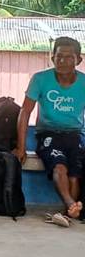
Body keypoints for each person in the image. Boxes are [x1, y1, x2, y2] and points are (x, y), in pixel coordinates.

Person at [15, 37, 85, 226]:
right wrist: (20, 147)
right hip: (48, 134)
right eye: (58, 56)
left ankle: (70, 211)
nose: (62, 61)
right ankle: (71, 204)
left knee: (75, 172)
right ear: (52, 58)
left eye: (68, 57)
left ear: (78, 60)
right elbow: (25, 112)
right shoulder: (40, 79)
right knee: (59, 166)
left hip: (75, 134)